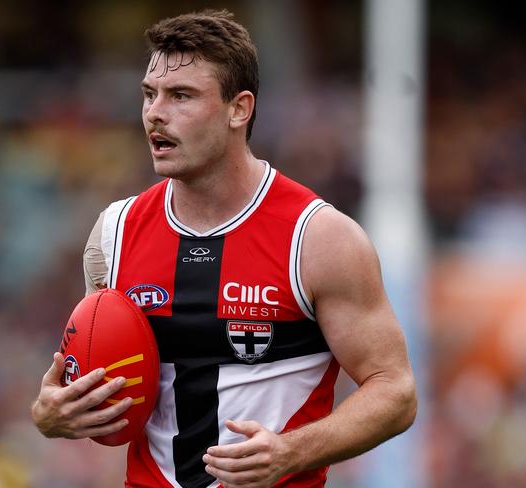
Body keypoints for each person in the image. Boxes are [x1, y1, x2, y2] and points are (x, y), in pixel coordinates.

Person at [31, 9, 417, 488]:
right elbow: (96, 377)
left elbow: (395, 391)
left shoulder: (318, 238)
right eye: (150, 95)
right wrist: (51, 413)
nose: (155, 112)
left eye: (181, 96)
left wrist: (290, 452)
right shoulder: (114, 233)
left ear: (240, 109)